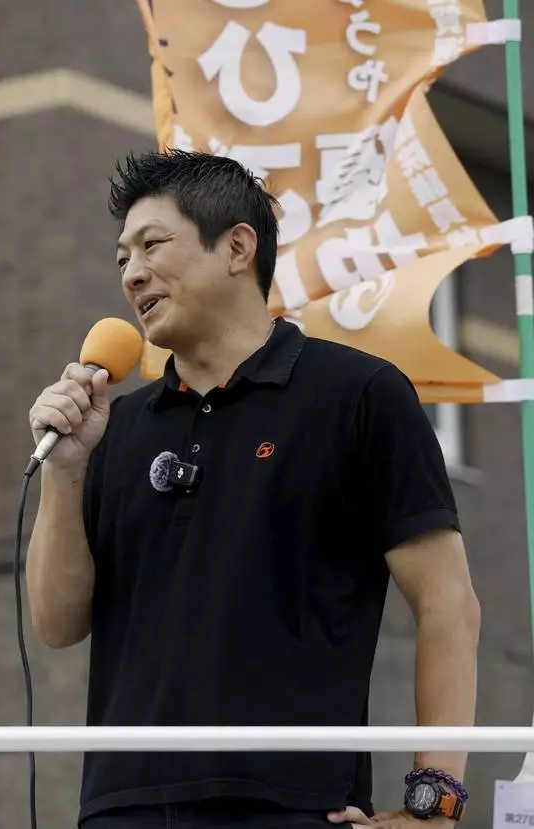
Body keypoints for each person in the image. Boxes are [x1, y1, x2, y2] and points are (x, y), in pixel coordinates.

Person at [26, 149, 481, 829]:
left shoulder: (359, 395)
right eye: (122, 257)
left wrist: (435, 801)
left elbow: (448, 602)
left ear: (238, 247)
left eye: (152, 245)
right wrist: (65, 470)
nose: (132, 273)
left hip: (294, 805)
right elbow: (57, 623)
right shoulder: (114, 429)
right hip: (123, 807)